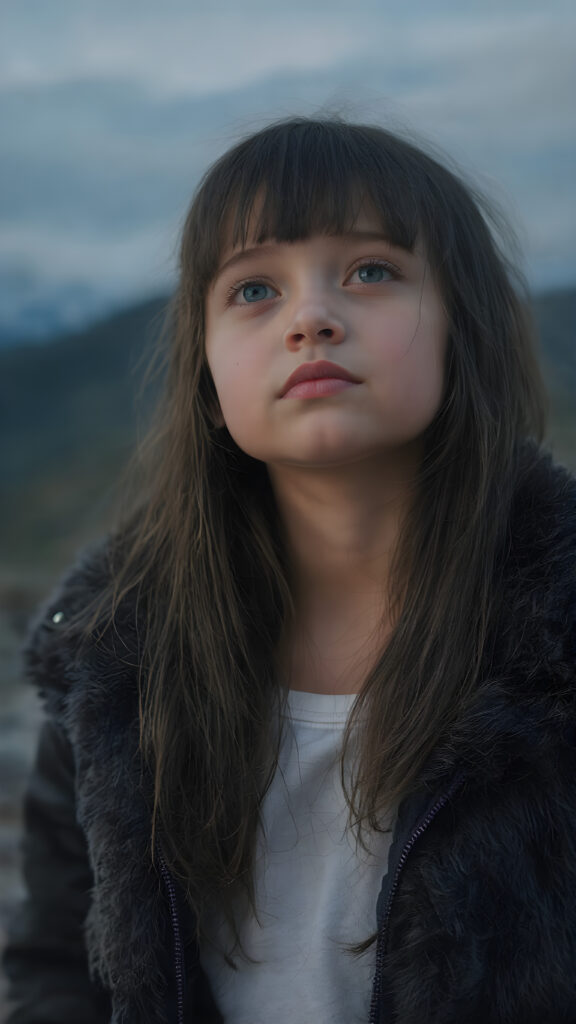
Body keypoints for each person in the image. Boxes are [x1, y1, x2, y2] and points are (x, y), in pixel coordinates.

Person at [3, 114, 576, 1024]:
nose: (311, 317)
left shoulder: (560, 633)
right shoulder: (116, 656)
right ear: (208, 370)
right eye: (254, 289)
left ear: (461, 322)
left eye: (372, 272)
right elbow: (55, 970)